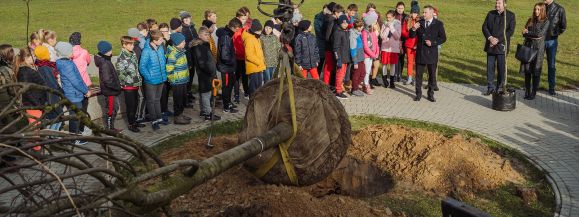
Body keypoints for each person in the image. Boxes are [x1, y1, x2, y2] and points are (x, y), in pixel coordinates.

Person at [55, 42, 91, 144]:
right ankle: (74, 138)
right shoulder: (67, 65)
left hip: (73, 93)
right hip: (74, 95)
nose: (73, 52)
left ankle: (75, 135)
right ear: (65, 53)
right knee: (75, 117)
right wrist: (85, 91)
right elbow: (76, 81)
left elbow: (78, 79)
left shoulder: (65, 62)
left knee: (75, 116)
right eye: (71, 51)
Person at [410, 5, 446, 102]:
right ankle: (418, 94)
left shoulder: (438, 24)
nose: (423, 14)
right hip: (420, 53)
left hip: (431, 53)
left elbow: (443, 38)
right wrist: (413, 28)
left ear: (431, 13)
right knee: (418, 75)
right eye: (423, 12)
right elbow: (411, 36)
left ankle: (430, 94)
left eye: (425, 12)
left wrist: (433, 42)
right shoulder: (419, 23)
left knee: (432, 75)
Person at [482, 0, 516, 95]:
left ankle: (499, 88)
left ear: (505, 4)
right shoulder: (490, 14)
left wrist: (497, 40)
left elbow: (510, 31)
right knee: (490, 67)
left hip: (502, 46)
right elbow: (484, 27)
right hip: (491, 45)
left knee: (501, 68)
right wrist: (490, 38)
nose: (497, 5)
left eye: (499, 3)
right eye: (496, 3)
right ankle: (490, 88)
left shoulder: (510, 15)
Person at [521, 3, 550, 100]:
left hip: (538, 49)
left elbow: (540, 34)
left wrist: (528, 33)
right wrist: (526, 33)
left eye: (538, 9)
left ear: (542, 10)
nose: (536, 11)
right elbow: (524, 33)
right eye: (535, 9)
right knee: (527, 70)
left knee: (536, 71)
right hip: (528, 47)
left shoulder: (546, 21)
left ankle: (533, 92)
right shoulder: (530, 20)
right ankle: (527, 90)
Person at [139, 30, 167, 131]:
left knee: (157, 99)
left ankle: (159, 118)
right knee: (151, 101)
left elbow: (163, 61)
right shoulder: (147, 51)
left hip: (161, 78)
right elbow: (142, 67)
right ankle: (154, 120)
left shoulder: (160, 48)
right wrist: (149, 77)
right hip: (151, 81)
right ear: (154, 40)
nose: (162, 40)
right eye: (160, 39)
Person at [193, 27, 222, 121]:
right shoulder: (198, 47)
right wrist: (210, 71)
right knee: (206, 94)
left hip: (209, 74)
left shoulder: (205, 45)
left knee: (205, 93)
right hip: (205, 75)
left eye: (208, 34)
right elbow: (202, 63)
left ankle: (203, 111)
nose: (208, 36)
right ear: (199, 35)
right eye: (205, 34)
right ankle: (208, 113)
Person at [116, 36, 144, 132]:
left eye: (133, 44)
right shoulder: (121, 58)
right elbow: (121, 74)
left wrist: (137, 79)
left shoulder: (132, 54)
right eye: (130, 44)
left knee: (135, 104)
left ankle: (135, 120)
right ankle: (131, 124)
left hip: (136, 84)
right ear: (124, 45)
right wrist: (131, 81)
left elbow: (135, 68)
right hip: (128, 87)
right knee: (130, 106)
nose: (133, 46)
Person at [16, 48, 47, 127]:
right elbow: (26, 91)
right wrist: (37, 104)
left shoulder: (28, 69)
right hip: (32, 105)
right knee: (35, 130)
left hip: (36, 103)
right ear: (26, 58)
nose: (35, 58)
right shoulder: (24, 72)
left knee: (36, 129)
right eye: (33, 56)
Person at [95, 41, 122, 132]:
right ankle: (110, 128)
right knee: (111, 109)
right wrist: (117, 87)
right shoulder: (105, 63)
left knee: (114, 108)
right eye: (110, 50)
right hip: (110, 91)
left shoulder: (105, 60)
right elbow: (107, 80)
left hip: (111, 90)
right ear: (105, 51)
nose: (112, 51)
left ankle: (111, 127)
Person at [35, 46, 63, 131]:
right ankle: (52, 134)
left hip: (47, 96)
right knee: (58, 117)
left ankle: (51, 134)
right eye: (48, 52)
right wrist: (60, 91)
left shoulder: (39, 65)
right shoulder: (45, 67)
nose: (49, 53)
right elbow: (52, 83)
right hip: (52, 96)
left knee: (54, 117)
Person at [165, 32, 192, 125]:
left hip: (183, 80)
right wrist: (173, 79)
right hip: (177, 81)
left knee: (183, 98)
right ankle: (177, 117)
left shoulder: (181, 51)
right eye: (183, 41)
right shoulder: (173, 54)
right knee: (178, 100)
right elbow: (169, 69)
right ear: (177, 43)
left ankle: (181, 114)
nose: (185, 43)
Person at [217, 18, 242, 113]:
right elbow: (224, 56)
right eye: (237, 29)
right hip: (226, 68)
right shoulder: (226, 37)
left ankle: (228, 102)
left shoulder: (227, 35)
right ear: (233, 27)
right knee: (226, 87)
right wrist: (233, 61)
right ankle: (226, 107)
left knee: (229, 85)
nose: (237, 31)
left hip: (229, 67)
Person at [69, 32, 93, 134]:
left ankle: (77, 129)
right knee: (84, 106)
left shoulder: (69, 53)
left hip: (73, 83)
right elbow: (88, 61)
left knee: (75, 107)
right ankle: (81, 128)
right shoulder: (84, 52)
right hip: (84, 82)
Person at [544, 0, 566, 95]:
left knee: (551, 65)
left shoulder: (560, 9)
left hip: (552, 41)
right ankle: (534, 86)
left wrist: (554, 34)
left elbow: (563, 26)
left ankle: (551, 87)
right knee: (537, 63)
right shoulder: (541, 7)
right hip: (539, 40)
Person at [243, 19, 266, 98]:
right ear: (254, 31)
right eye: (259, 31)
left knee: (258, 88)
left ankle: (256, 103)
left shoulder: (256, 38)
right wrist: (259, 62)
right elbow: (249, 56)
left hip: (258, 67)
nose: (260, 33)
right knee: (254, 89)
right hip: (254, 68)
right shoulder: (249, 39)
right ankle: (252, 103)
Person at [322, 4, 344, 89]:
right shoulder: (331, 21)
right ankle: (325, 85)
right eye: (340, 13)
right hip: (329, 47)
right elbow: (328, 36)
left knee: (331, 66)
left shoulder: (334, 20)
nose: (341, 14)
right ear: (335, 12)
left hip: (332, 47)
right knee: (329, 66)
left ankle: (330, 84)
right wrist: (334, 42)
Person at [180, 11, 199, 105]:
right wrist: (191, 44)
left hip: (193, 55)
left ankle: (189, 92)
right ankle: (185, 96)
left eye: (188, 18)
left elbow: (196, 38)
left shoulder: (192, 27)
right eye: (185, 19)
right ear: (182, 20)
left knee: (191, 76)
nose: (187, 20)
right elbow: (183, 44)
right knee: (187, 77)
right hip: (187, 56)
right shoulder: (183, 30)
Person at [380, 10, 402, 89]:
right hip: (385, 47)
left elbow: (397, 37)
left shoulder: (398, 24)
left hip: (393, 48)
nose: (388, 19)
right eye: (387, 17)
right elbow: (382, 36)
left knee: (392, 64)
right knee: (384, 64)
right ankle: (385, 80)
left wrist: (391, 27)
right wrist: (387, 28)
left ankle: (392, 81)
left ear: (393, 17)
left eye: (390, 17)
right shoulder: (384, 24)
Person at [401, 1, 420, 85]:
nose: (414, 15)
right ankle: (409, 77)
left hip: (417, 45)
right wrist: (410, 34)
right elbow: (403, 31)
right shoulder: (407, 20)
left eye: (415, 13)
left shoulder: (420, 21)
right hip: (409, 44)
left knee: (417, 62)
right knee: (409, 61)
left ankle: (416, 78)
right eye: (413, 12)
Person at [333, 15, 351, 99]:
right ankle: (338, 91)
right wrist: (338, 59)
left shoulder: (346, 31)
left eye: (347, 22)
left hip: (346, 57)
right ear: (340, 23)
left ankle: (340, 88)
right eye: (344, 23)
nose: (345, 24)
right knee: (340, 75)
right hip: (341, 58)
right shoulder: (337, 32)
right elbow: (335, 48)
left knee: (343, 74)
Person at [361, 10, 379, 95]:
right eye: (374, 23)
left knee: (368, 71)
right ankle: (366, 85)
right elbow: (365, 46)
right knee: (367, 71)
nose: (375, 24)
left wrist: (376, 53)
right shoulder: (365, 32)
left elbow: (376, 43)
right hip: (367, 56)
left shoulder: (372, 32)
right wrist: (373, 55)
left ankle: (365, 84)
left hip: (372, 56)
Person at [314, 4, 331, 77]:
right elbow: (319, 32)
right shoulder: (318, 19)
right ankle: (317, 77)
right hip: (321, 43)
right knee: (320, 61)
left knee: (327, 64)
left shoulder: (329, 17)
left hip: (328, 44)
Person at [349, 20, 366, 97]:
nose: (363, 28)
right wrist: (355, 62)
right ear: (358, 27)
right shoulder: (353, 35)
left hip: (361, 57)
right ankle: (354, 89)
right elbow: (352, 49)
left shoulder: (359, 33)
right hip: (357, 59)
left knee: (363, 73)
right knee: (356, 74)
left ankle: (355, 87)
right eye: (361, 26)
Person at [394, 1, 408, 82]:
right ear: (396, 8)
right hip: (395, 39)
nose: (400, 10)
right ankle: (395, 74)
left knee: (402, 57)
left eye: (402, 8)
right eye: (399, 8)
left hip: (403, 39)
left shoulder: (406, 16)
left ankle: (400, 74)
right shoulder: (393, 15)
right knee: (396, 57)